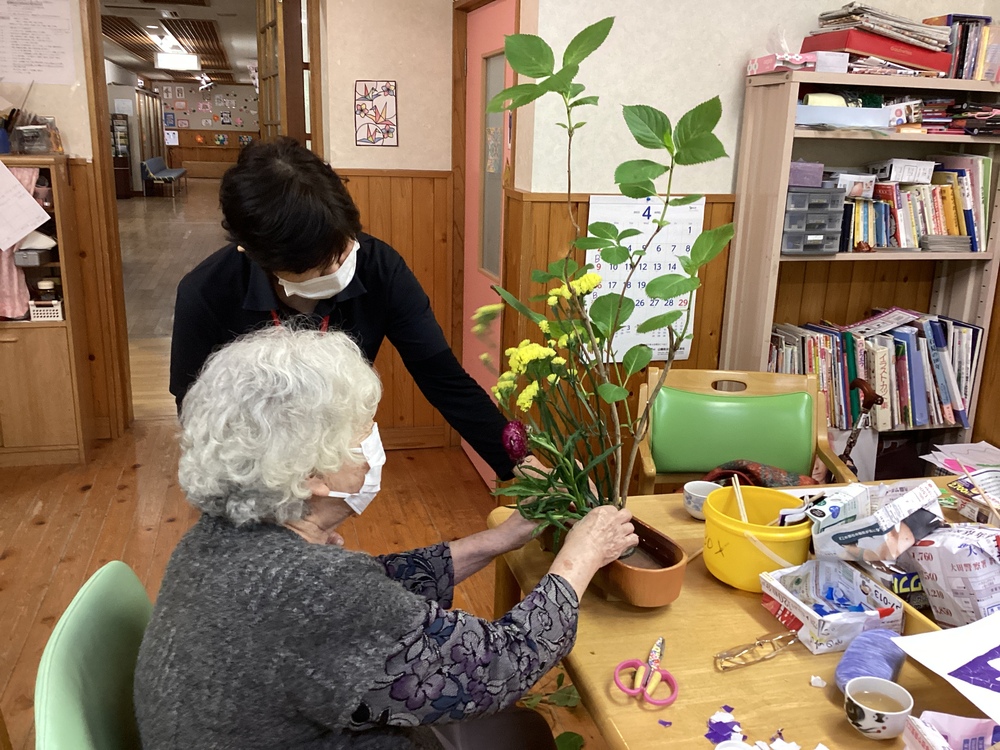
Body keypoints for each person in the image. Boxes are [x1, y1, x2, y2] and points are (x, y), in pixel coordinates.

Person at [135, 326, 637, 749]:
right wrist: (581, 556)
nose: (373, 443)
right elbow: (496, 666)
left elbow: (373, 593)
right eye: (361, 432)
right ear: (310, 473)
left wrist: (497, 540)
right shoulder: (311, 589)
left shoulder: (214, 542)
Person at [170, 137, 517, 479]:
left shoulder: (379, 268)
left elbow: (444, 378)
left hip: (337, 457)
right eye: (320, 268)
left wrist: (520, 464)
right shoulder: (206, 293)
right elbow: (197, 411)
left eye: (342, 251)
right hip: (252, 462)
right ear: (256, 255)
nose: (339, 270)